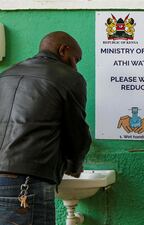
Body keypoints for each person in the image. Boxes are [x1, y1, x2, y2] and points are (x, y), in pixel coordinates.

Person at [0, 31, 91, 225]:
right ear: (63, 49)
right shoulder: (69, 77)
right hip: (26, 181)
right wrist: (74, 165)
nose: (75, 65)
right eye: (76, 59)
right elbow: (76, 132)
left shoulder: (5, 75)